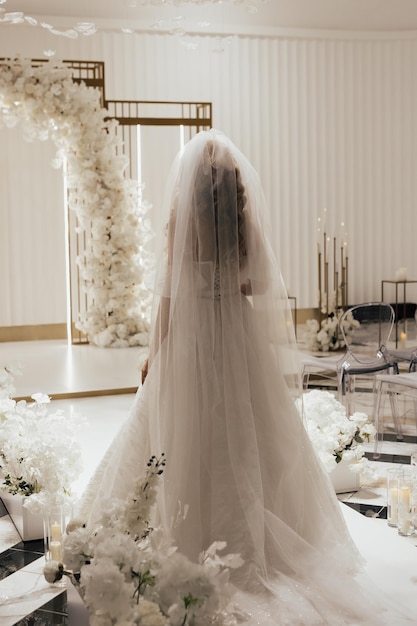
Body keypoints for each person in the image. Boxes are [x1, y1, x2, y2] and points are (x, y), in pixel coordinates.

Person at [78, 130, 413, 624]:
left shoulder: (179, 223)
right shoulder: (239, 220)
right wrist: (227, 285)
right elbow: (258, 283)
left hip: (190, 341)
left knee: (177, 432)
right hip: (234, 340)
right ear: (232, 184)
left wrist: (155, 354)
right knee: (248, 430)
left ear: (190, 186)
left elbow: (167, 298)